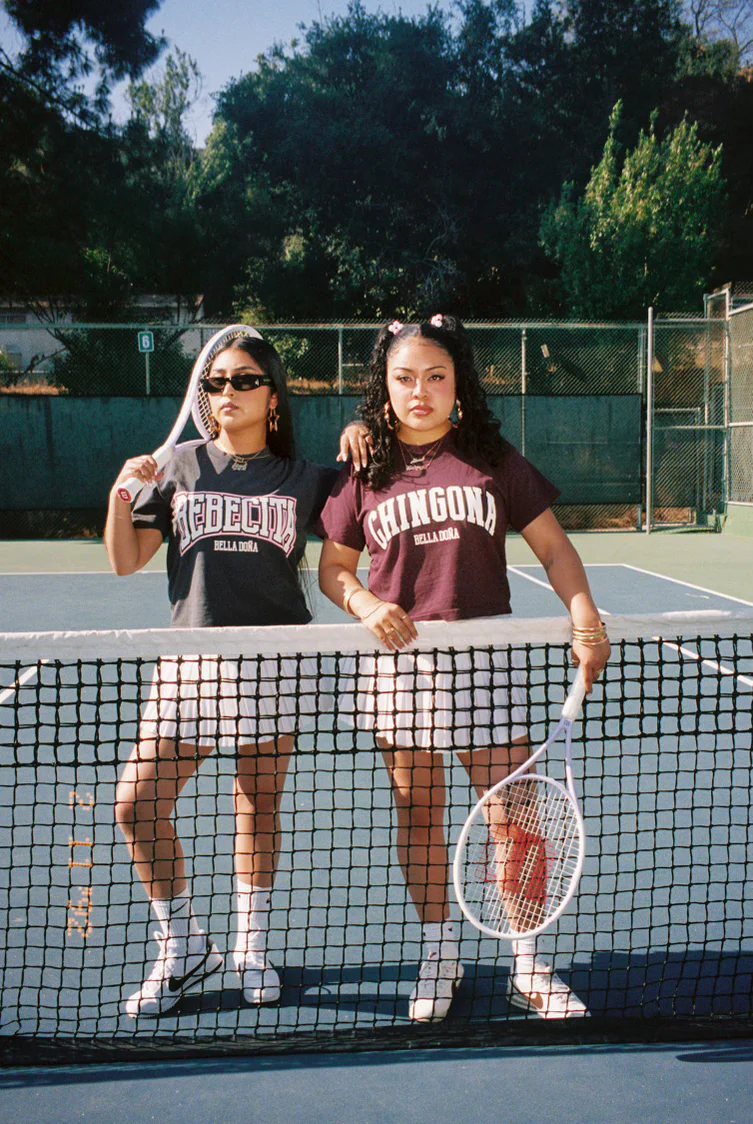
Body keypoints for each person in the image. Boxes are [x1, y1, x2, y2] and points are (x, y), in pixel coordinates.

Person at [318, 314, 611, 1022]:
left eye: (436, 376)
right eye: (404, 377)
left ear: (459, 385)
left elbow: (555, 551)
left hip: (486, 660)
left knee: (514, 816)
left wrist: (584, 615)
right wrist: (362, 603)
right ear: (383, 387)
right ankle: (439, 952)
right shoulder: (362, 468)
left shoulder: (491, 458)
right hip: (399, 666)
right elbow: (331, 569)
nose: (420, 390)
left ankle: (527, 963)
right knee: (418, 816)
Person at [105, 329, 370, 1018]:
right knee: (136, 805)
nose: (226, 392)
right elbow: (125, 560)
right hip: (190, 662)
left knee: (256, 803)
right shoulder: (182, 466)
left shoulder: (308, 479)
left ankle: (250, 944)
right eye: (215, 382)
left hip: (275, 658)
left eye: (243, 380)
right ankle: (184, 943)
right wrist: (120, 495)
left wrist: (358, 430)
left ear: (272, 395)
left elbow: (378, 498)